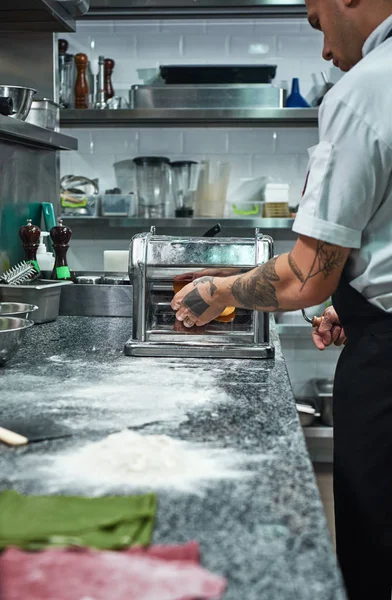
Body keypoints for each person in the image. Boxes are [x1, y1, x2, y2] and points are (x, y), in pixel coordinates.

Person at [171, 1, 392, 598]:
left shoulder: (367, 88)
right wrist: (364, 306)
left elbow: (303, 277)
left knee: (373, 562)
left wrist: (216, 291)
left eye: (318, 21)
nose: (324, 50)